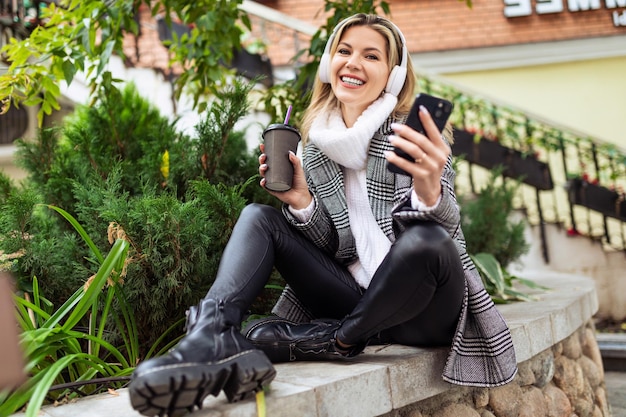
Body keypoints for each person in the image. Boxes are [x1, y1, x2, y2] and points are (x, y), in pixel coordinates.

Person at [128, 13, 518, 417]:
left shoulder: (414, 138)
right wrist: (301, 201)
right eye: (344, 51)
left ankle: (337, 341)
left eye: (371, 56)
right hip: (352, 301)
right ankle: (212, 334)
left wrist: (429, 189)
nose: (353, 63)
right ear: (328, 64)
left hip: (421, 309)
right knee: (258, 217)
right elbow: (338, 246)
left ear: (394, 76)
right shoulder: (316, 146)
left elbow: (448, 233)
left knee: (427, 240)